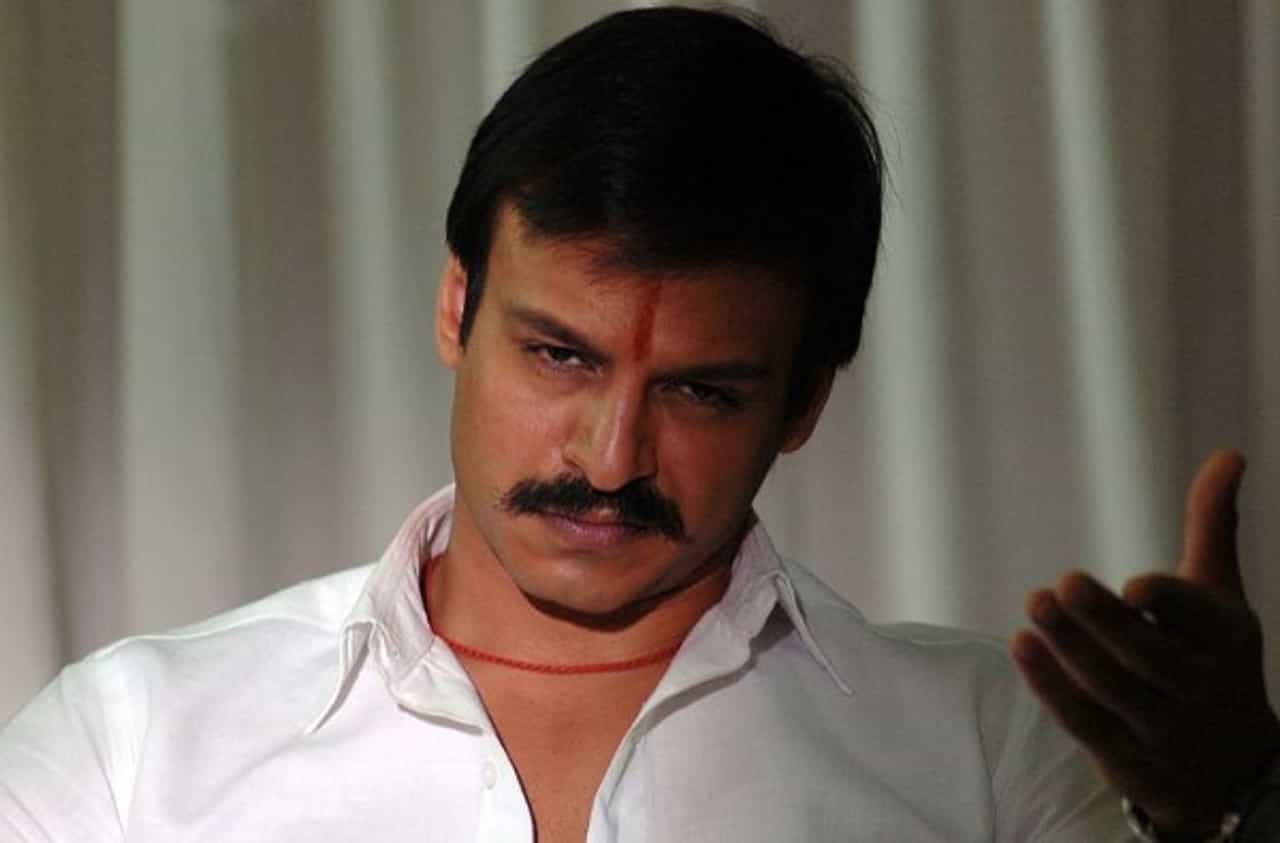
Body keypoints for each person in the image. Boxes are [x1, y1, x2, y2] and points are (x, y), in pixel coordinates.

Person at [3, 6, 1278, 842]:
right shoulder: (132, 743)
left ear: (804, 402)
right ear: (456, 306)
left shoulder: (993, 752)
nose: (609, 458)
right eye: (559, 355)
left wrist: (1232, 808)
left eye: (700, 391)